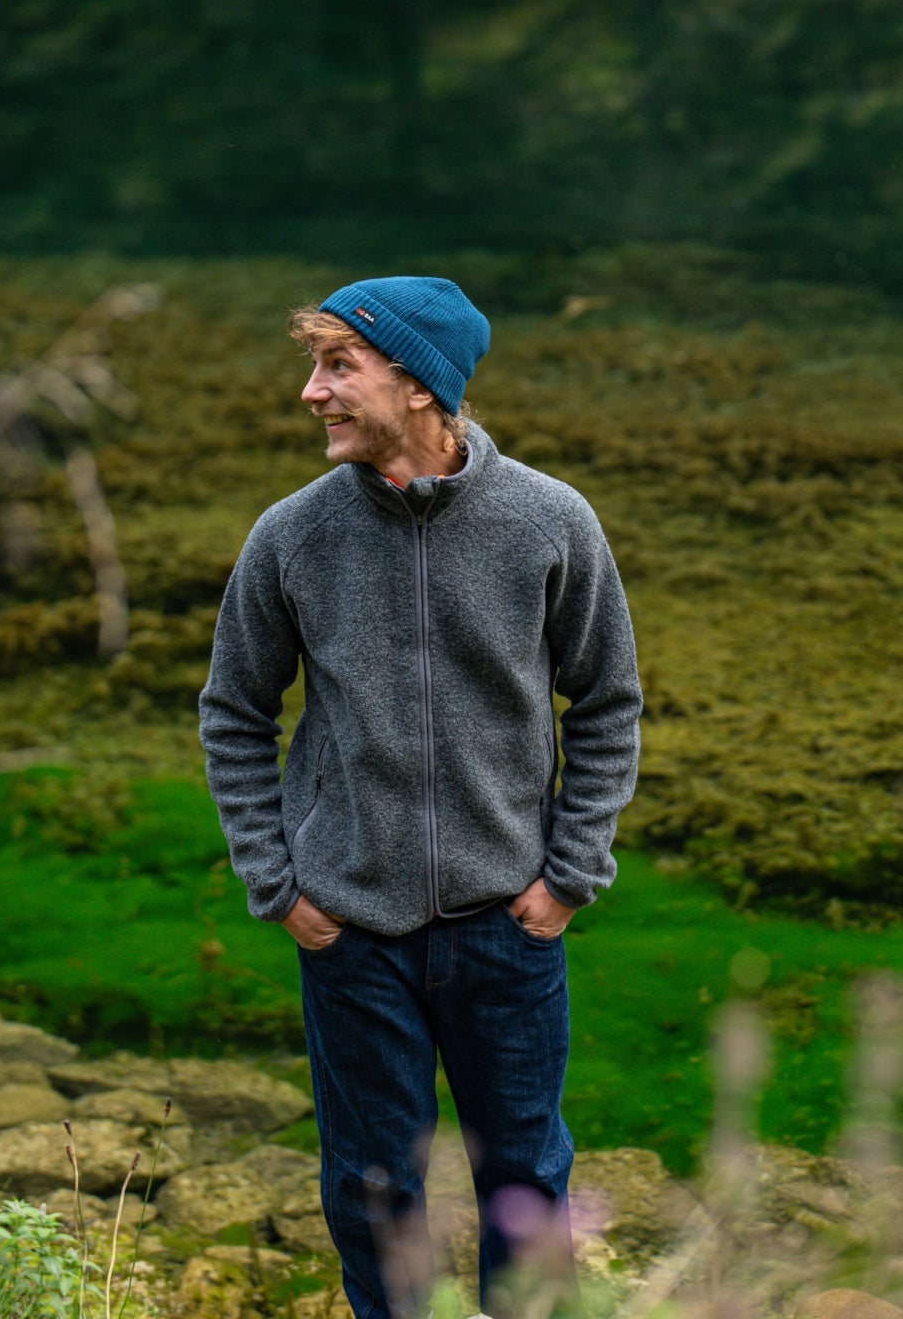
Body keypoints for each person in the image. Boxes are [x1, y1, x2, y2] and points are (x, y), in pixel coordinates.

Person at [199, 276, 642, 1319]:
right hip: (352, 933)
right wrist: (279, 885)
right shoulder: (291, 536)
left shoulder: (549, 521)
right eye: (317, 367)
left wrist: (567, 880)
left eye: (338, 366)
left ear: (419, 384)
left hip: (509, 927)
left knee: (526, 1185)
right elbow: (233, 714)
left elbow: (609, 702)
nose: (313, 392)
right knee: (373, 1192)